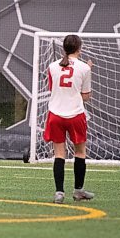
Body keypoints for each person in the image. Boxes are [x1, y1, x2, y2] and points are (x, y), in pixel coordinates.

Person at [44, 34, 94, 204]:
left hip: (55, 115)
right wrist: (87, 71)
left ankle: (59, 193)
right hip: (75, 115)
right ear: (79, 48)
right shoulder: (84, 68)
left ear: (64, 48)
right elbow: (86, 97)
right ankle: (78, 190)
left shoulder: (52, 66)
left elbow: (53, 89)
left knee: (59, 154)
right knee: (80, 152)